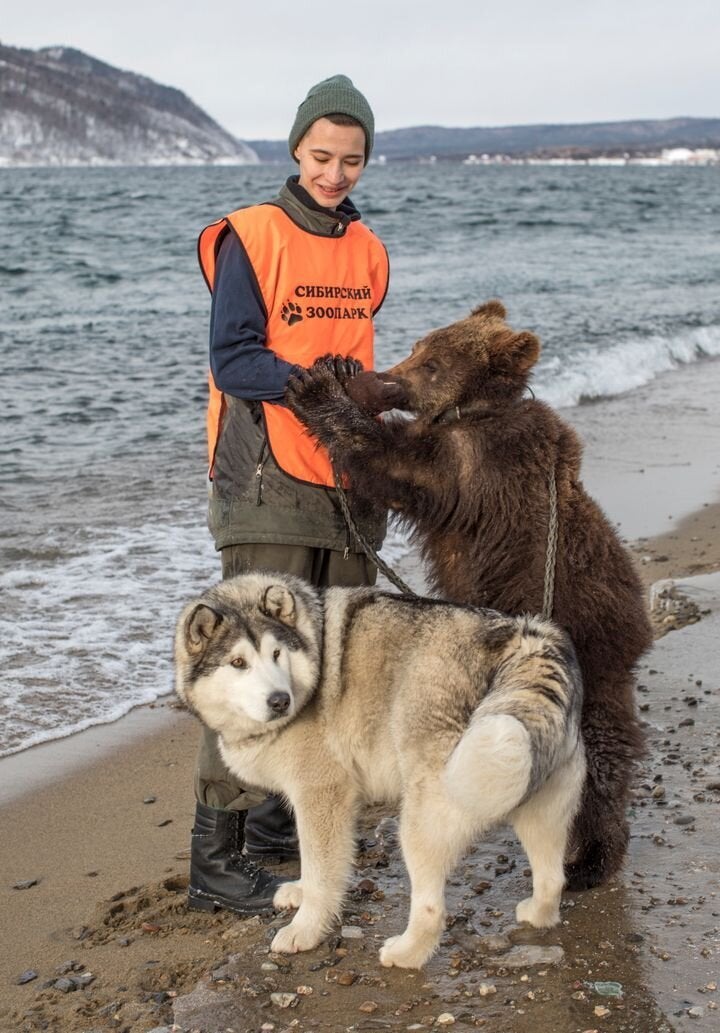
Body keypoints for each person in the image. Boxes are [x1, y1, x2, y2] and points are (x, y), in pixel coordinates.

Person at [189, 75, 401, 915]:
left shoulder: (370, 249)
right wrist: (311, 386)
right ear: (295, 150)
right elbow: (233, 358)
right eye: (321, 156)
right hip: (265, 480)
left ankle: (285, 828)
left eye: (351, 160)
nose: (335, 173)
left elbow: (359, 357)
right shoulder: (253, 235)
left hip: (348, 485)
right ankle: (221, 854)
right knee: (253, 667)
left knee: (329, 667)